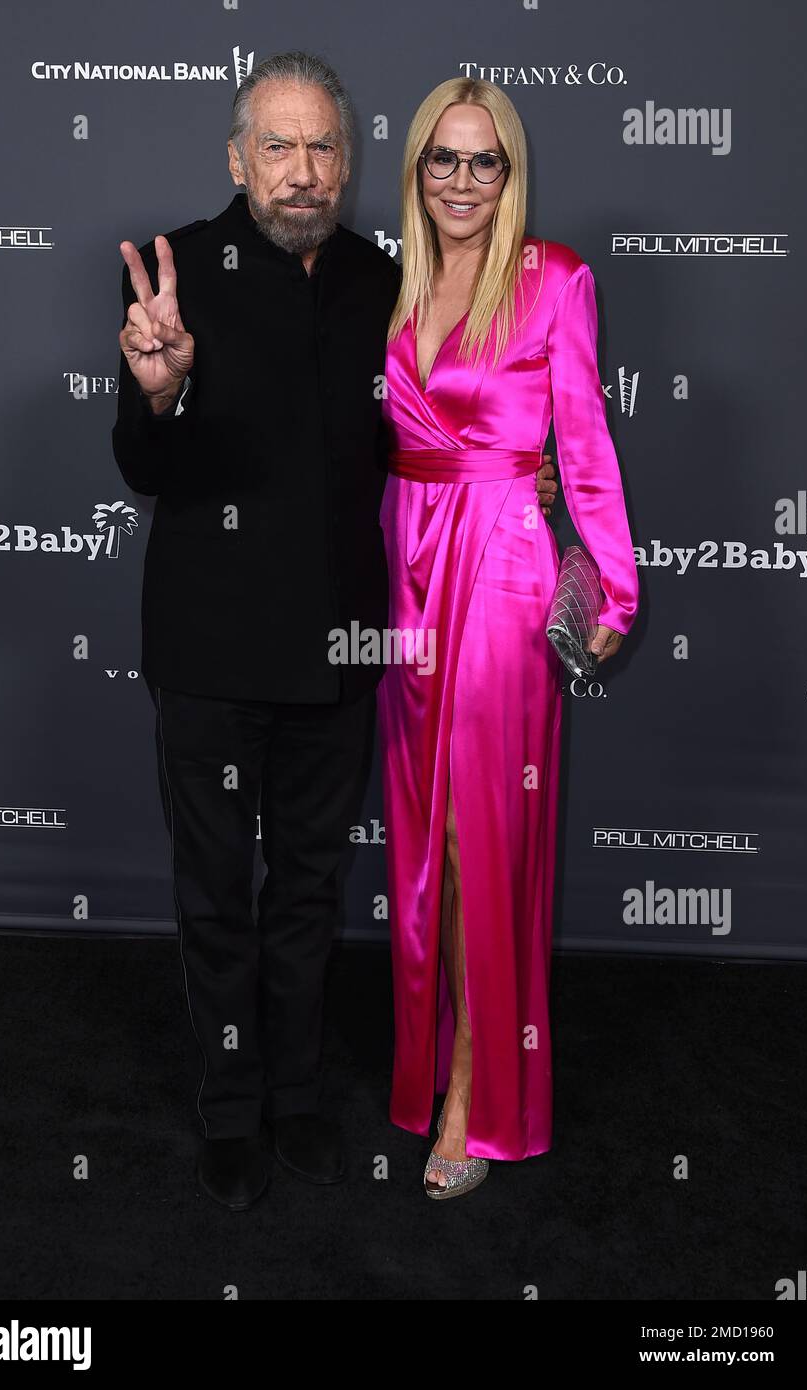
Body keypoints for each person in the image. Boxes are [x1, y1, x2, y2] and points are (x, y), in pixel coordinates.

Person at [111, 49, 564, 1211]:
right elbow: (142, 465)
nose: (301, 171)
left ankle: (300, 1096)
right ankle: (228, 1102)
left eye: (321, 148)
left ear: (349, 163)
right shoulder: (174, 272)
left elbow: (457, 427)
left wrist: (541, 503)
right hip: (208, 650)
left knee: (310, 887)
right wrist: (157, 389)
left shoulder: (384, 280)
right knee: (217, 891)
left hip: (344, 650)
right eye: (277, 145)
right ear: (236, 158)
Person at [377, 77, 640, 1198]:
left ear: (510, 172)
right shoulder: (390, 276)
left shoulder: (551, 277)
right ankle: (427, 1059)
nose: (461, 182)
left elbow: (580, 447)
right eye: (443, 158)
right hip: (404, 567)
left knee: (485, 835)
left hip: (498, 568)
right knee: (420, 836)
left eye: (484, 162)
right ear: (417, 167)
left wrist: (612, 594)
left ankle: (475, 1096)